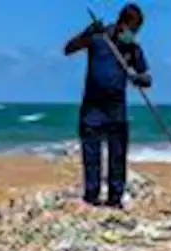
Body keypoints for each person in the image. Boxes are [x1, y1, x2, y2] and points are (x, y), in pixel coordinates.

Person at [63, 4, 152, 208]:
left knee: (117, 158)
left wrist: (137, 78)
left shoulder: (132, 48)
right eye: (132, 29)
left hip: (116, 111)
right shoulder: (98, 39)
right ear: (122, 24)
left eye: (137, 31)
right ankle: (91, 197)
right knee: (91, 157)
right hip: (92, 109)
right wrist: (86, 32)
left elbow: (147, 78)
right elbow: (68, 49)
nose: (133, 34)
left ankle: (115, 199)